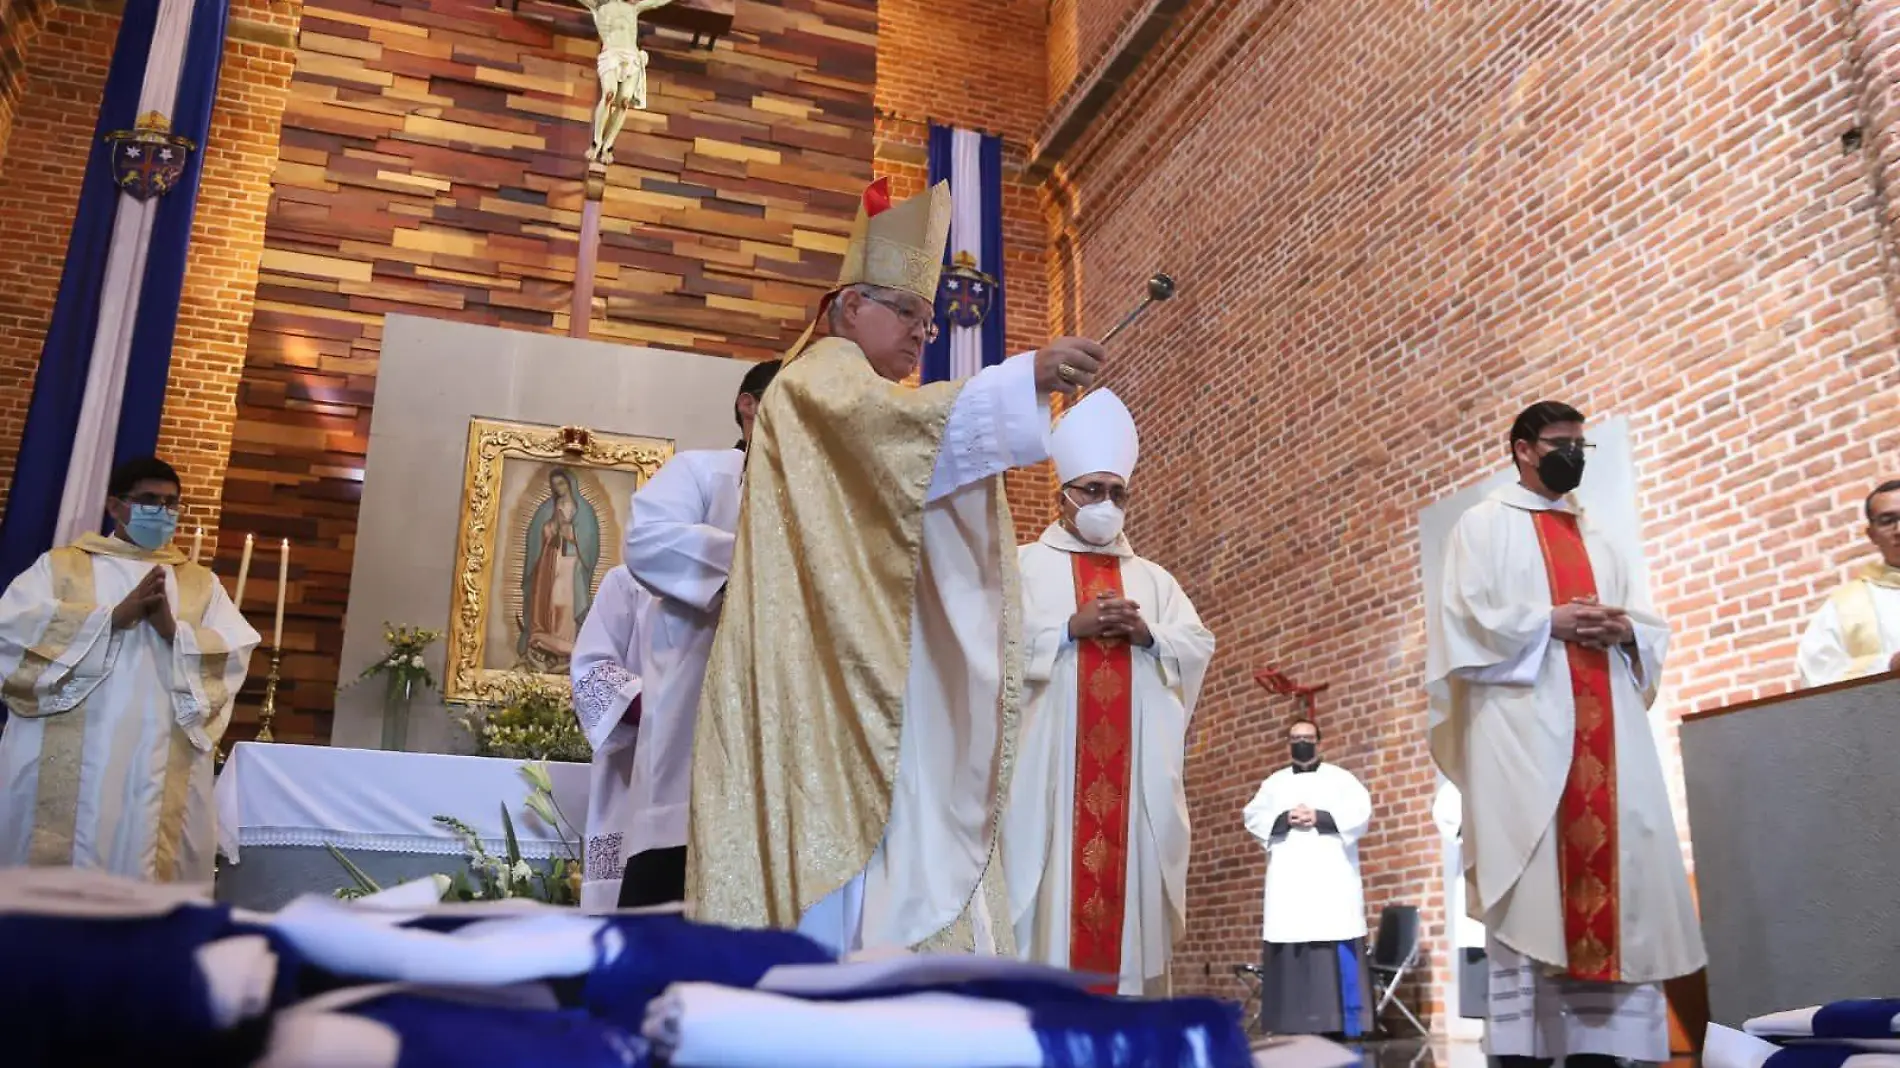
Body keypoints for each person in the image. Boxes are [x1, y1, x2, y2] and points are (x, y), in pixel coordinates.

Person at [687, 176, 1106, 955]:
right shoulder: (824, 376)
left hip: (850, 665)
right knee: (856, 878)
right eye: (908, 312)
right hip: (830, 686)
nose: (923, 333)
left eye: (929, 318)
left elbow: (898, 491)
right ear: (851, 306)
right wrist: (1028, 377)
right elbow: (902, 438)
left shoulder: (837, 386)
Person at [1426, 401, 1705, 1067]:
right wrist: (1548, 621)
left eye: (1582, 445)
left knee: (1623, 873)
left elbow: (1646, 620)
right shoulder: (1482, 528)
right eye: (1561, 443)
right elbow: (1463, 625)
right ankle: (1527, 1051)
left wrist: (1627, 631)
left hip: (1607, 734)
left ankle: (1605, 1053)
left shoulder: (1598, 536)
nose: (1574, 455)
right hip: (1522, 739)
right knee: (1534, 887)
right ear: (1524, 449)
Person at [1001, 388, 1213, 995]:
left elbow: (1196, 644)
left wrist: (1148, 635)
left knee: (1124, 927)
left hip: (1132, 790)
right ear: (1062, 495)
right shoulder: (1021, 567)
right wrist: (1068, 629)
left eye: (1117, 492)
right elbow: (984, 652)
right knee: (1047, 920)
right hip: (1049, 789)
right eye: (1092, 490)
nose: (1105, 503)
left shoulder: (1154, 579)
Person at [0, 457, 257, 882]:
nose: (163, 512)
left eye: (172, 503)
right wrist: (112, 617)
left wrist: (174, 632)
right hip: (73, 745)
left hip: (157, 753)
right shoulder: (62, 566)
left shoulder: (199, 584)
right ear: (116, 506)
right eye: (149, 500)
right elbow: (11, 630)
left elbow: (235, 651)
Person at [613, 358, 780, 907]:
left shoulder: (819, 496)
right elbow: (647, 542)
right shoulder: (702, 471)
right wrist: (761, 565)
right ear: (747, 404)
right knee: (669, 902)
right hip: (695, 708)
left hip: (783, 728)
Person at [1242, 718, 1373, 1037]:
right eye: (1295, 738)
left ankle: (1344, 1023)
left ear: (1320, 742)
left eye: (1308, 737)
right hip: (1290, 881)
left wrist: (1320, 816)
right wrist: (1284, 818)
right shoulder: (1273, 783)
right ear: (1288, 743)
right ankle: (1291, 1022)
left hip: (1332, 879)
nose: (1302, 743)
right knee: (1291, 941)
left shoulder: (1341, 780)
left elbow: (1360, 813)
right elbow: (1253, 816)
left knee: (1334, 935)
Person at [569, 563, 652, 909]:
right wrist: (661, 708)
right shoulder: (630, 581)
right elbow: (591, 672)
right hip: (638, 773)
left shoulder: (753, 586)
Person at [1795, 479, 1900, 686]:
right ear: (1872, 535)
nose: (1899, 529)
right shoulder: (1844, 607)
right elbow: (1816, 677)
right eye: (1888, 520)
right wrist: (1888, 665)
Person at [581, 0, 676, 165]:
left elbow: (656, 2)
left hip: (631, 56)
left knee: (624, 101)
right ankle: (596, 142)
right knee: (609, 94)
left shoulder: (633, 8)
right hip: (611, 53)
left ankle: (608, 145)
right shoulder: (598, 5)